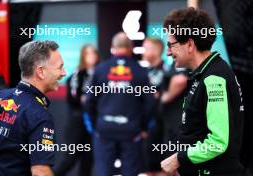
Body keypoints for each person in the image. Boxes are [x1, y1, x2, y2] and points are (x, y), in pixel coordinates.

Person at [160, 7, 244, 176]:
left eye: (171, 45)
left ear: (190, 44)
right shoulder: (204, 73)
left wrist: (178, 158)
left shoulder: (214, 78)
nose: (168, 52)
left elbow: (218, 142)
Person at [0, 40, 66, 176]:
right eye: (60, 67)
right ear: (40, 72)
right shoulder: (39, 115)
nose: (64, 73)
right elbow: (40, 172)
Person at [85, 32, 155, 176]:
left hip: (104, 129)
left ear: (113, 48)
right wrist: (143, 128)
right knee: (130, 173)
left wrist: (95, 126)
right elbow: (149, 103)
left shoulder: (100, 69)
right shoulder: (140, 71)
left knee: (103, 173)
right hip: (131, 130)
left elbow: (89, 102)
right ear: (130, 48)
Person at [142, 38, 187, 176]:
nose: (142, 52)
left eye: (146, 48)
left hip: (168, 126)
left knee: (169, 167)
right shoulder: (141, 71)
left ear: (156, 51)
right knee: (148, 166)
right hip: (147, 127)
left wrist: (163, 97)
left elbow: (180, 80)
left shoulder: (169, 70)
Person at [60, 44, 99, 176]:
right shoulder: (77, 75)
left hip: (95, 121)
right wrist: (85, 99)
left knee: (88, 160)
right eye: (88, 53)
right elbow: (73, 98)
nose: (92, 56)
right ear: (83, 56)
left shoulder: (102, 73)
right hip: (78, 122)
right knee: (71, 158)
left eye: (94, 52)